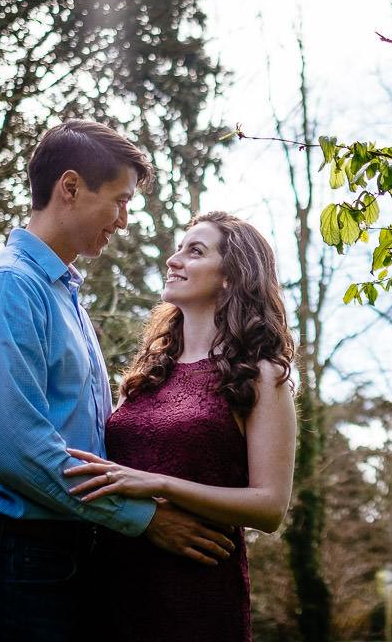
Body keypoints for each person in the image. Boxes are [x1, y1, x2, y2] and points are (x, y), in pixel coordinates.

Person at [0, 120, 234, 642]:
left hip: (52, 556)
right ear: (70, 187)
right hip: (8, 558)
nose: (123, 220)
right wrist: (144, 519)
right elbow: (18, 450)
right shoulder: (9, 287)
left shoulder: (62, 297)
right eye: (119, 200)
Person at [63, 210, 298, 642]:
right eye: (178, 248)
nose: (173, 260)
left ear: (231, 276)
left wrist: (161, 485)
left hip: (195, 592)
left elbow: (270, 507)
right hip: (110, 585)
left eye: (195, 251)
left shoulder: (261, 375)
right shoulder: (146, 374)